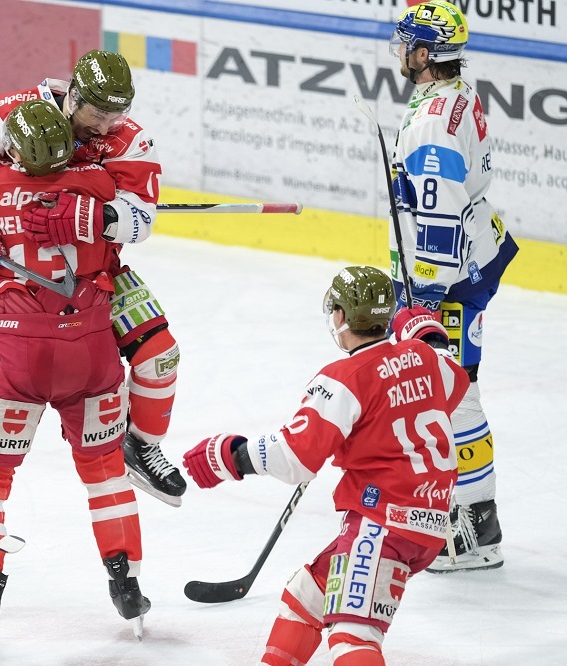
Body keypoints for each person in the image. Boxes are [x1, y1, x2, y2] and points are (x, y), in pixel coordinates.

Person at [0, 100, 150, 661]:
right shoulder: (101, 184)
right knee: (105, 468)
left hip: (18, 358)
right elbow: (133, 216)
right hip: (95, 353)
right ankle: (128, 583)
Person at [0, 49, 185, 507]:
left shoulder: (129, 140)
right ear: (76, 95)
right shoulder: (2, 115)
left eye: (117, 114)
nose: (106, 127)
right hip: (6, 270)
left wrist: (94, 215)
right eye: (98, 113)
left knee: (159, 356)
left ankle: (140, 443)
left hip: (94, 276)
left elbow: (140, 219)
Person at [183, 266, 470, 665]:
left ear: (340, 316)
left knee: (353, 635)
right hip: (429, 524)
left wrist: (228, 456)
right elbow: (453, 378)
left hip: (382, 521)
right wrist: (426, 330)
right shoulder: (423, 358)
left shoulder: (344, 377)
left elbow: (295, 457)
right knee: (306, 595)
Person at [388, 1, 517, 572]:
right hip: (473, 257)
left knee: (456, 392)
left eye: (406, 44)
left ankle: (473, 527)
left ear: (424, 53)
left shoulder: (430, 120)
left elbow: (438, 215)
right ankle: (466, 512)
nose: (400, 53)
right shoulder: (454, 95)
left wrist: (427, 299)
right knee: (454, 388)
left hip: (451, 277)